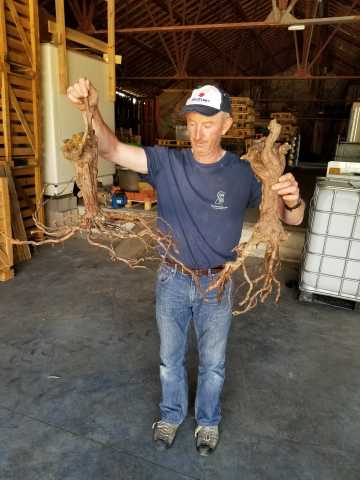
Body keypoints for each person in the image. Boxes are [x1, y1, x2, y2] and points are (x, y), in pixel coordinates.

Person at [67, 79, 305, 456]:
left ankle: (207, 421)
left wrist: (293, 201)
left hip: (217, 283)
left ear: (226, 125)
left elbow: (289, 219)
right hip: (172, 279)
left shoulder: (245, 173)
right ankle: (172, 413)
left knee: (213, 364)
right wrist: (91, 110)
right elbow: (111, 149)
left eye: (207, 123)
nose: (197, 132)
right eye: (192, 122)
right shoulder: (166, 162)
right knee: (169, 359)